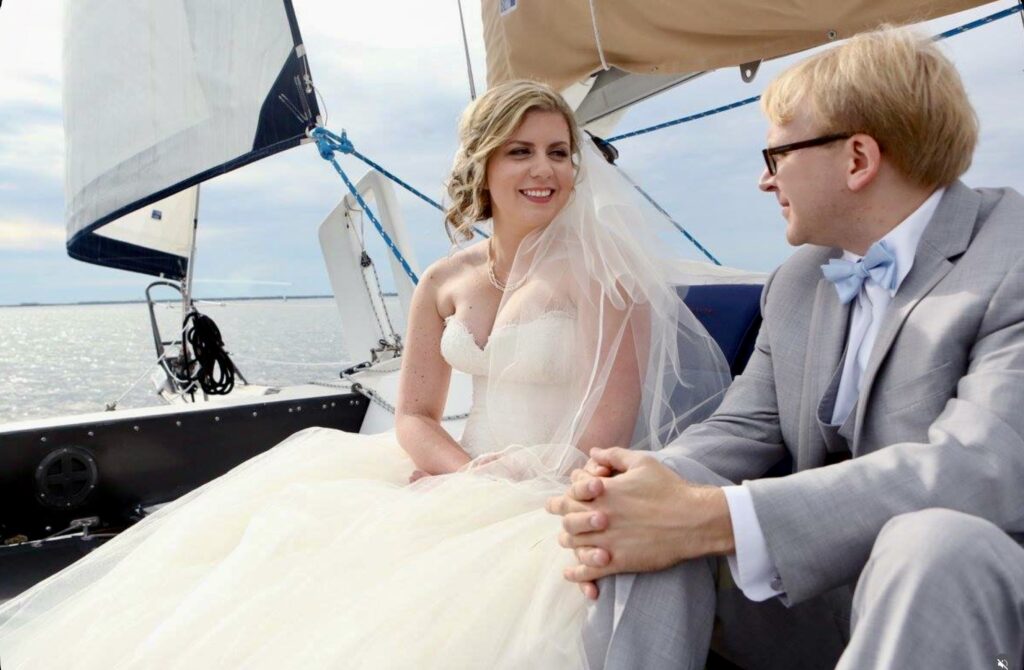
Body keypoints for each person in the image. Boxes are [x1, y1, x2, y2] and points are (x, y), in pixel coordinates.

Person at [0, 81, 730, 668]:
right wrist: (461, 473)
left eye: (559, 152)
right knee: (277, 570)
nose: (544, 170)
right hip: (455, 471)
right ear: (482, 164)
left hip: (553, 484)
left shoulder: (605, 279)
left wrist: (504, 485)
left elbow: (607, 427)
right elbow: (413, 414)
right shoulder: (444, 279)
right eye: (520, 152)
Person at [548, 26, 1024, 670]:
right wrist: (625, 492)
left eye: (776, 157)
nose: (763, 183)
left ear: (858, 159)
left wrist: (715, 517)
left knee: (931, 542)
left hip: (975, 599)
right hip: (819, 602)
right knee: (653, 505)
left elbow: (982, 469)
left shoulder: (1013, 255)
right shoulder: (798, 282)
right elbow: (741, 428)